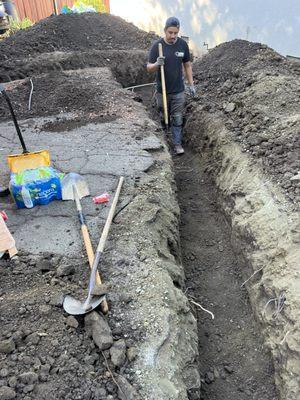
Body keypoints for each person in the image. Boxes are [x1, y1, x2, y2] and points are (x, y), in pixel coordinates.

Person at [147, 16, 195, 155]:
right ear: (165, 31)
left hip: (178, 91)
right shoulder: (157, 46)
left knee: (177, 117)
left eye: (175, 33)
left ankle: (177, 144)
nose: (173, 36)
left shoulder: (182, 45)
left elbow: (187, 65)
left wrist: (191, 85)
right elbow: (148, 67)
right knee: (162, 115)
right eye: (170, 32)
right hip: (162, 91)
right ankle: (163, 142)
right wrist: (157, 64)